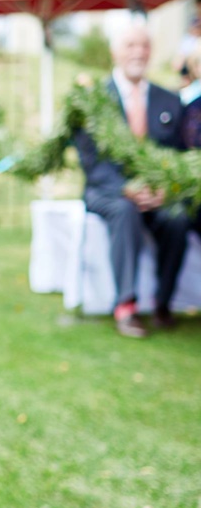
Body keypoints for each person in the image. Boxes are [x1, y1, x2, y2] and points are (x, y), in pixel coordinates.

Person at [74, 23, 198, 336]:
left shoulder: (169, 101)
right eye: (130, 45)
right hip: (108, 191)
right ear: (115, 51)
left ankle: (163, 302)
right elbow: (90, 160)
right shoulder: (94, 99)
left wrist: (164, 189)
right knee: (125, 211)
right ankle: (125, 305)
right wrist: (127, 190)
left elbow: (178, 156)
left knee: (178, 219)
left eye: (144, 45)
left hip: (158, 194)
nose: (138, 52)